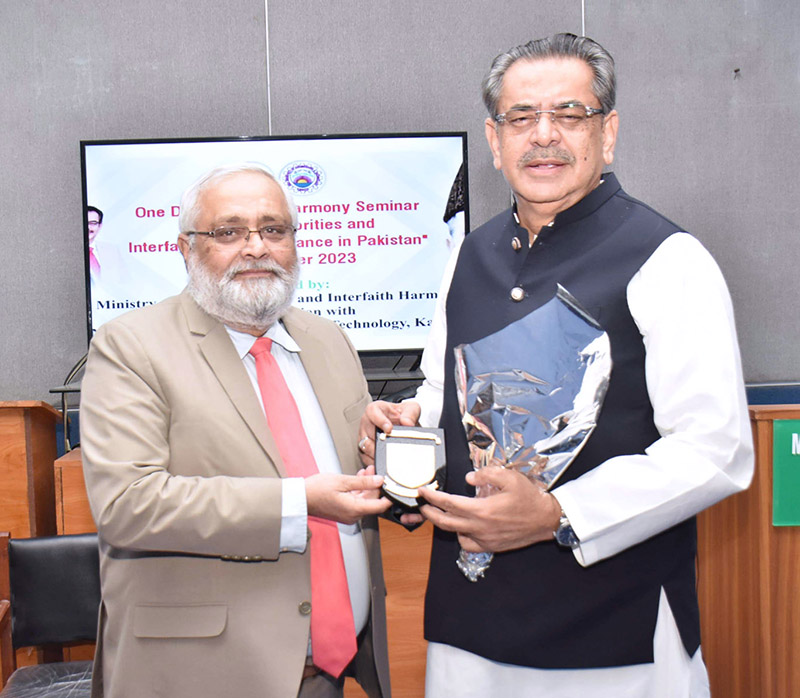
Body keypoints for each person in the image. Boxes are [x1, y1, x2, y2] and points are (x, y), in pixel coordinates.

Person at [360, 33, 753, 697]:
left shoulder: (668, 258)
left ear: (609, 132)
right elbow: (440, 385)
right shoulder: (469, 255)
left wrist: (557, 512)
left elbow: (717, 450)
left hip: (614, 633)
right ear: (494, 139)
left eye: (569, 115)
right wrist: (409, 418)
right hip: (470, 626)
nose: (543, 136)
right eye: (521, 118)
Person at [80, 163, 393, 698]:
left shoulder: (329, 341)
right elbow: (128, 505)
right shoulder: (130, 345)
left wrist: (386, 445)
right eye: (228, 232)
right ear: (186, 249)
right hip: (201, 678)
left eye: (274, 229)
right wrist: (301, 502)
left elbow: (357, 473)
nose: (256, 247)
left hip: (332, 675)